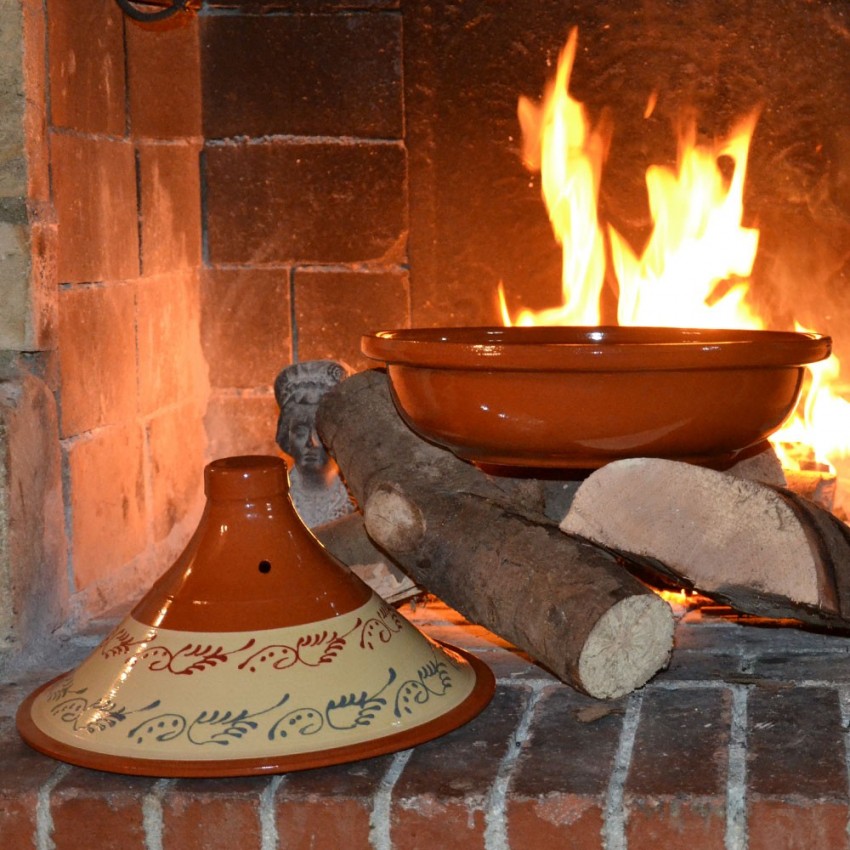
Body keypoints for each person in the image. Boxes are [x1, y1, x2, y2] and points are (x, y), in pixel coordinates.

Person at [273, 360, 355, 527]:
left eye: (319, 431)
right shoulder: (276, 503)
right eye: (300, 431)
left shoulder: (358, 500)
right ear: (287, 437)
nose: (311, 442)